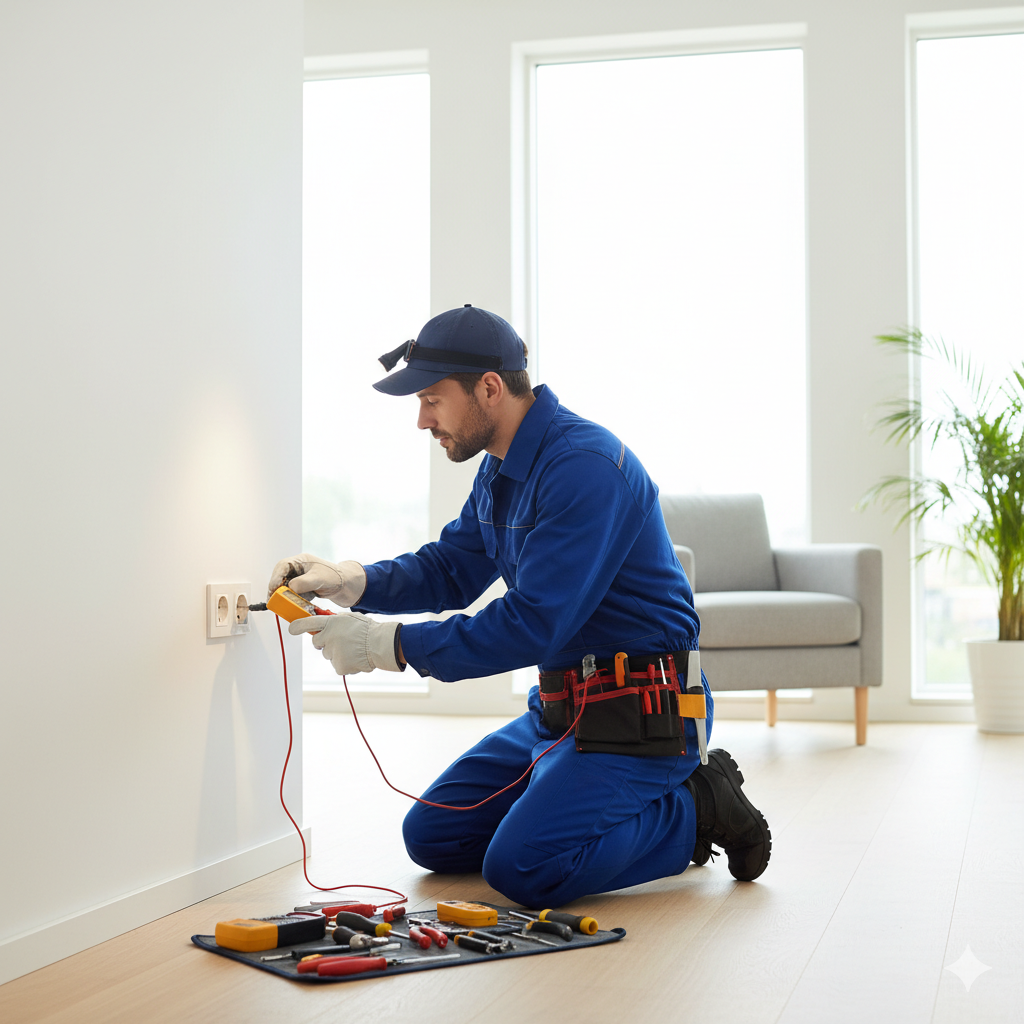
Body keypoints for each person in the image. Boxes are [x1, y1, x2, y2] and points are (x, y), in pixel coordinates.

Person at [268, 304, 771, 909]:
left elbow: (533, 622)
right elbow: (452, 568)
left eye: (431, 398)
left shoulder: (585, 468)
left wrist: (388, 646)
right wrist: (349, 580)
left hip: (643, 717)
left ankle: (697, 805)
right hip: (560, 713)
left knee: (525, 869)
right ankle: (570, 795)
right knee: (432, 835)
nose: (422, 420)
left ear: (488, 388)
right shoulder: (499, 469)